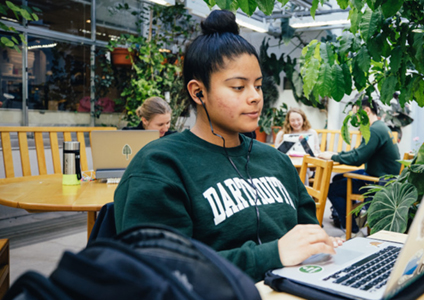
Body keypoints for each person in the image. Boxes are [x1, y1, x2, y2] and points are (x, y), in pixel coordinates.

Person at [114, 10, 341, 282]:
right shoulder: (160, 165)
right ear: (198, 92)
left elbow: (309, 235)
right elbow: (160, 269)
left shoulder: (276, 161)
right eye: (238, 87)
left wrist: (323, 246)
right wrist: (272, 255)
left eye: (257, 86)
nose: (255, 97)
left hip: (301, 296)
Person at [318, 97, 401, 234]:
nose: (356, 120)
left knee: (331, 189)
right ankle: (352, 215)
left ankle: (351, 226)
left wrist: (333, 156)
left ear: (366, 111)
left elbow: (357, 158)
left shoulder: (374, 131)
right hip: (381, 177)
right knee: (338, 178)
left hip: (377, 182)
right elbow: (360, 153)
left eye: (356, 115)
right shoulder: (380, 127)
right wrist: (337, 154)